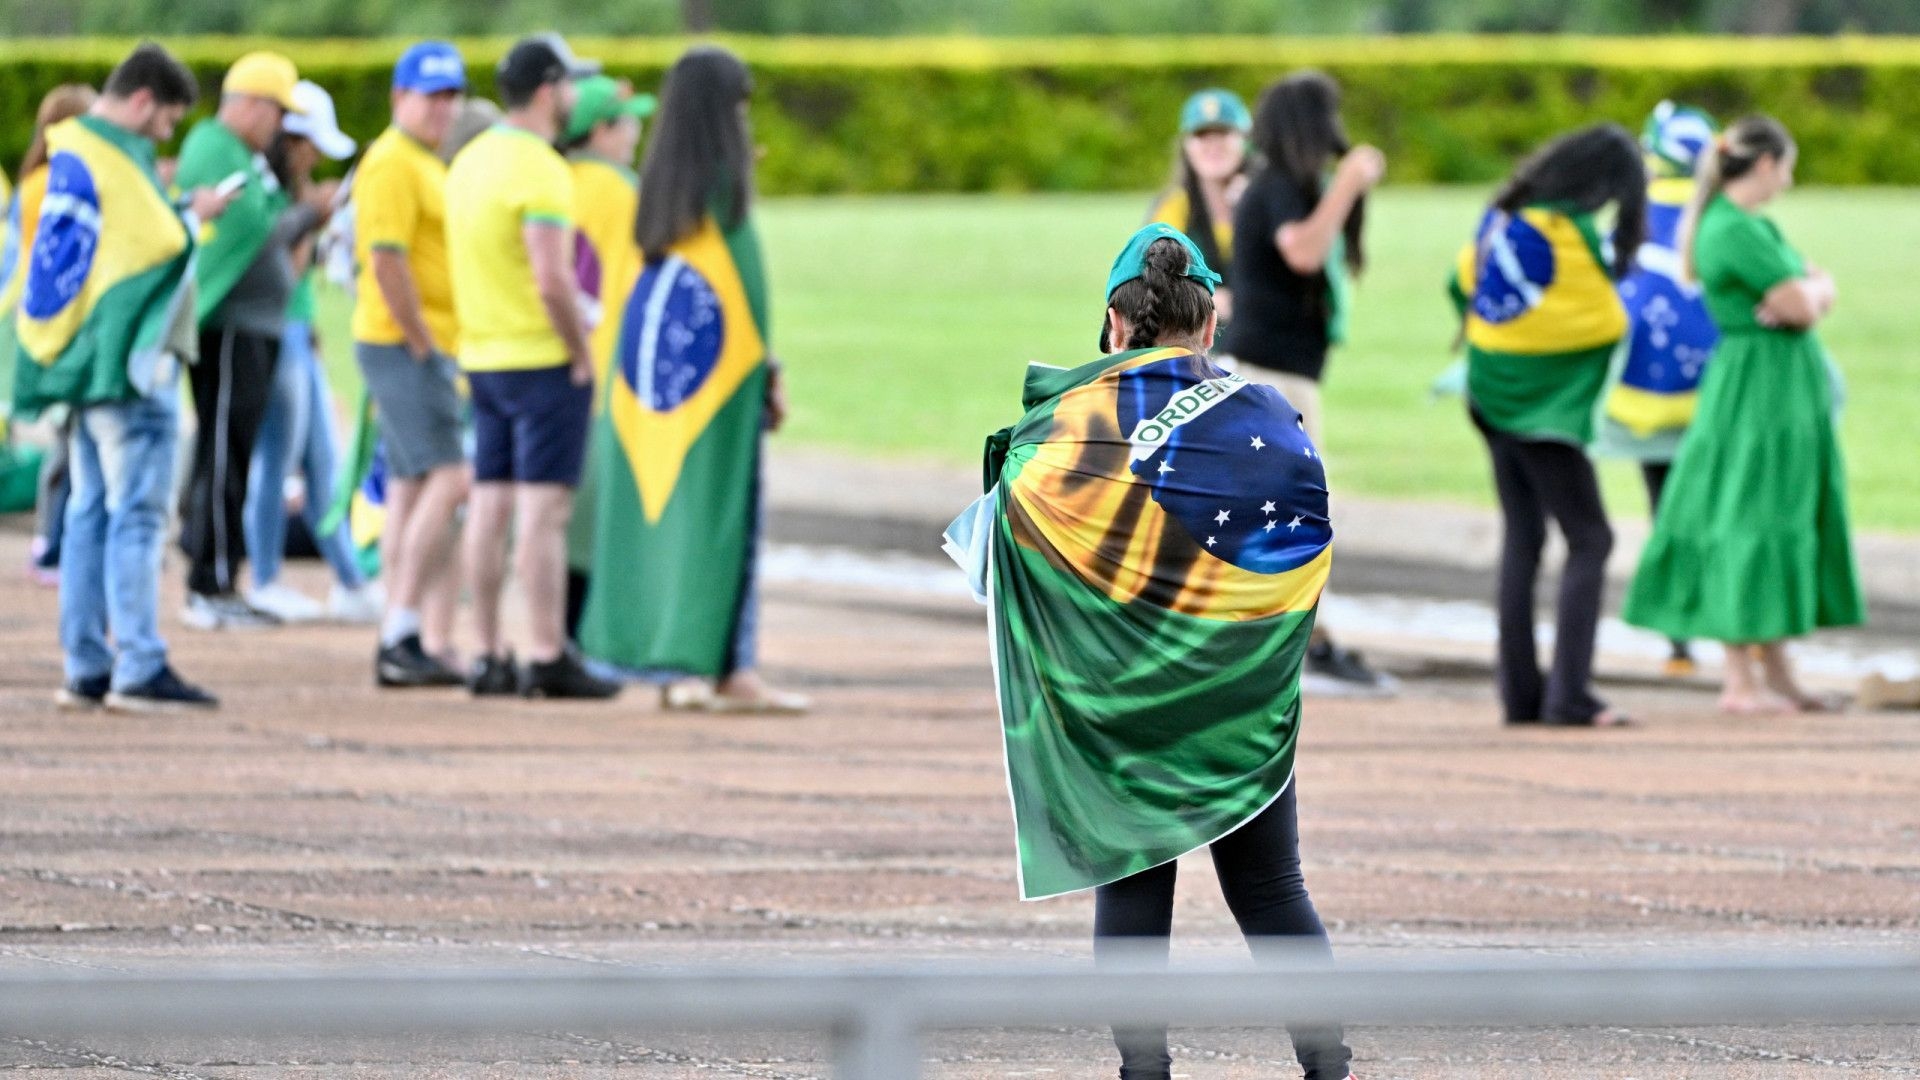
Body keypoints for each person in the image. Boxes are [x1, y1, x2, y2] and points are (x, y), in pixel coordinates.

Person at [969, 223, 1354, 1080]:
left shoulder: (1059, 431)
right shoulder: (1271, 416)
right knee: (1270, 889)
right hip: (1239, 705)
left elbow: (1000, 552)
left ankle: (1143, 1071)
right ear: (1210, 324)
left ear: (1114, 323)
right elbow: (1307, 543)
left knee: (1133, 883)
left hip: (1120, 709)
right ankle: (1331, 1066)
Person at [575, 45, 803, 714]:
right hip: (712, 398)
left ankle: (694, 667)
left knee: (683, 517)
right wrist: (767, 375)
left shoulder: (661, 198)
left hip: (653, 393)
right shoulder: (718, 205)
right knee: (719, 516)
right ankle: (712, 666)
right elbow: (740, 307)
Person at [14, 42, 230, 711]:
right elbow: (158, 243)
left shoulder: (69, 148)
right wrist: (194, 215)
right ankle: (138, 662)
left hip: (80, 363)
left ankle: (86, 663)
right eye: (166, 122)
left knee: (86, 514)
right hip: (127, 369)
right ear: (142, 101)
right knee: (135, 517)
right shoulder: (111, 154)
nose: (165, 135)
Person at [1623, 115, 1864, 713]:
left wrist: (1814, 290)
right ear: (1764, 164)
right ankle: (1741, 677)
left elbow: (1807, 292)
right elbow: (1801, 302)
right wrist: (1814, 292)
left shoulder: (1747, 225)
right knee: (1748, 514)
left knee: (1779, 512)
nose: (1787, 178)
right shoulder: (1735, 231)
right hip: (1758, 392)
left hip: (1778, 389)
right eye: (1786, 166)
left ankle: (1775, 665)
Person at [1449, 124, 1645, 728]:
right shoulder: (1566, 230)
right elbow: (1604, 320)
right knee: (1592, 539)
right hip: (1542, 410)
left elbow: (1461, 282)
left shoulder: (1504, 213)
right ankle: (1570, 696)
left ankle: (1521, 695)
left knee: (1524, 535)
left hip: (1485, 392)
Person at [445, 34, 619, 699]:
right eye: (571, 83)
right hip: (542, 357)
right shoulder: (542, 168)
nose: (575, 95)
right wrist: (580, 353)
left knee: (490, 506)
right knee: (543, 515)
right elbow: (552, 278)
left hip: (483, 356)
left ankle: (488, 651)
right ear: (548, 90)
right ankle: (548, 652)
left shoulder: (470, 159)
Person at [1219, 70, 1389, 694]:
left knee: (1287, 508)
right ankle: (1295, 642)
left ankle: (1292, 637)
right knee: (1293, 511)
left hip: (1284, 370)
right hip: (1271, 373)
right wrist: (1346, 184)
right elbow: (1303, 252)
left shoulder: (1280, 185)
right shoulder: (1276, 187)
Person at [175, 51, 335, 630]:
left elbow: (266, 220)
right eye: (275, 111)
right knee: (223, 457)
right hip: (229, 328)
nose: (279, 126)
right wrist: (310, 214)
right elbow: (256, 230)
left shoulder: (239, 152)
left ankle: (222, 578)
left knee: (233, 457)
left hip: (253, 329)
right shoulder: (216, 146)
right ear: (248, 104)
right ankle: (209, 584)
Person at [354, 41, 472, 688]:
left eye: (451, 95)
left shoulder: (422, 161)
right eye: (431, 95)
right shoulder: (394, 163)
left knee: (408, 487)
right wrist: (424, 340)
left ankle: (408, 630)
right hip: (404, 341)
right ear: (401, 97)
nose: (443, 108)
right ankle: (401, 628)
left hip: (415, 340)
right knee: (450, 479)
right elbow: (387, 258)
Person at [243, 78, 382, 625]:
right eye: (310, 146)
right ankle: (274, 577)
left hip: (298, 333)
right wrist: (312, 222)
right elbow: (285, 275)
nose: (316, 157)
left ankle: (339, 579)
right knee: (290, 459)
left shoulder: (283, 198)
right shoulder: (280, 203)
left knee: (313, 460)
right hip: (282, 334)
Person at [1597, 101, 1720, 678]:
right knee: (1708, 509)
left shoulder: (1631, 211)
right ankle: (1712, 629)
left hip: (1640, 394)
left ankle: (1678, 636)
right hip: (1714, 392)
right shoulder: (1718, 211)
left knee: (1662, 506)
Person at [558, 74, 654, 640]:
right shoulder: (624, 189)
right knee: (604, 518)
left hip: (559, 364)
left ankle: (563, 633)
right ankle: (592, 636)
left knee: (564, 515)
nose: (635, 132)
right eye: (626, 123)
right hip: (613, 366)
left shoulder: (556, 180)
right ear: (599, 130)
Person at [0, 83, 99, 587]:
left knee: (70, 438)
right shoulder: (50, 182)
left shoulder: (40, 178)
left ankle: (55, 542)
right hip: (48, 329)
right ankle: (50, 543)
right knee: (66, 439)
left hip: (44, 326)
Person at [1146, 88, 1250, 322]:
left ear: (1245, 140)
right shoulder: (1175, 206)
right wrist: (1204, 296)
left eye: (1223, 133)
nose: (1213, 144)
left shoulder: (1267, 199)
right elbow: (1151, 280)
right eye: (1202, 135)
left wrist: (1251, 210)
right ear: (1186, 146)